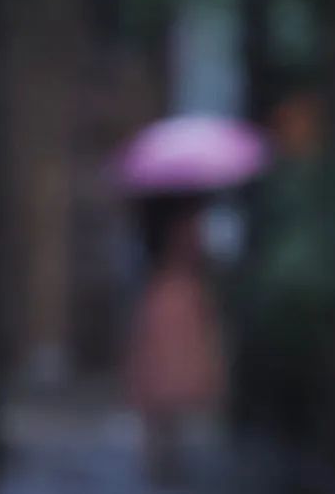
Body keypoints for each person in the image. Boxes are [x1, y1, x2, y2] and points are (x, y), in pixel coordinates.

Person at [122, 194, 227, 486]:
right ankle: (162, 458)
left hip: (166, 297)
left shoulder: (155, 225)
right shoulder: (183, 228)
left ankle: (162, 457)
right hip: (175, 299)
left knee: (162, 384)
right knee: (165, 380)